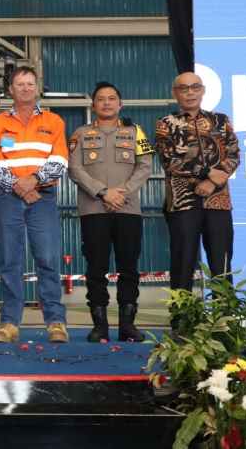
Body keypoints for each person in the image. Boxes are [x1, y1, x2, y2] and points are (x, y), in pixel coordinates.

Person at [0, 66, 69, 344]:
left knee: (47, 258)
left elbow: (60, 161)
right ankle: (9, 323)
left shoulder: (54, 121)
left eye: (30, 83)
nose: (25, 88)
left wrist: (32, 182)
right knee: (10, 260)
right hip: (9, 198)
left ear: (37, 88)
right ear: (11, 89)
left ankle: (55, 322)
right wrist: (19, 187)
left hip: (42, 198)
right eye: (19, 84)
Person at [68, 82, 153, 342]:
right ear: (93, 105)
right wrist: (103, 192)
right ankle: (100, 326)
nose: (107, 102)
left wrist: (121, 193)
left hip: (128, 210)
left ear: (120, 104)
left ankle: (127, 326)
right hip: (93, 210)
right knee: (96, 268)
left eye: (112, 98)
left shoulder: (137, 132)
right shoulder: (80, 134)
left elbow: (146, 165)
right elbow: (75, 169)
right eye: (101, 99)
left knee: (129, 268)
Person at [155, 72, 239, 294]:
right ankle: (181, 315)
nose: (190, 92)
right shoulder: (165, 123)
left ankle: (224, 314)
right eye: (184, 88)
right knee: (182, 263)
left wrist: (212, 184)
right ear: (175, 93)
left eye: (195, 87)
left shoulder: (220, 120)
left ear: (202, 90)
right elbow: (169, 160)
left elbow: (233, 154)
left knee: (221, 264)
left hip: (218, 202)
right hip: (182, 204)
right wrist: (208, 172)